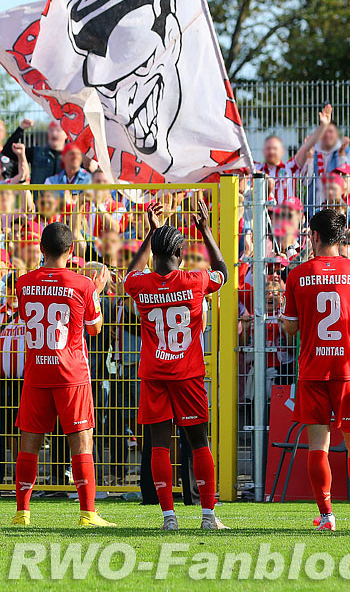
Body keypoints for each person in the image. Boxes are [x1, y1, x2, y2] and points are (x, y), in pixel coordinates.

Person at [279, 208, 350, 531]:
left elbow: (289, 328)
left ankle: (327, 516)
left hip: (312, 369)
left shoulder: (297, 275)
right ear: (342, 237)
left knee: (319, 443)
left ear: (313, 236)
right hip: (347, 369)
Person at [123, 197, 229, 530]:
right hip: (188, 373)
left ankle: (169, 517)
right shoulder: (196, 281)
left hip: (154, 374)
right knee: (199, 443)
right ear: (181, 255)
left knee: (159, 445)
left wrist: (149, 234)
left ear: (153, 253)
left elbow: (130, 273)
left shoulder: (139, 285)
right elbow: (224, 272)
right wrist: (206, 231)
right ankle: (208, 515)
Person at [11, 222, 112, 527]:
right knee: (82, 443)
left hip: (37, 371)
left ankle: (22, 513)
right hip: (72, 374)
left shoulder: (23, 282)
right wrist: (97, 293)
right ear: (71, 251)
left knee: (29, 443)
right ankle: (87, 513)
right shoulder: (82, 284)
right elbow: (94, 329)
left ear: (41, 250)